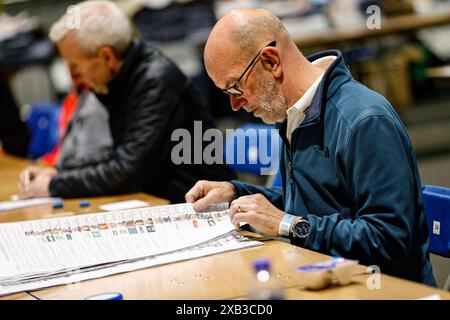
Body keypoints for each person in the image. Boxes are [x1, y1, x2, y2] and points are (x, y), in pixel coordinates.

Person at [185, 8, 436, 286]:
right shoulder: (294, 112)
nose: (235, 104)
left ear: (271, 62)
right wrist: (235, 192)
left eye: (235, 87)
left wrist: (288, 225)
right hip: (322, 277)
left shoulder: (365, 121)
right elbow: (311, 203)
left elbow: (388, 238)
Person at [18, 0, 235, 203]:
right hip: (158, 201)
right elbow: (116, 156)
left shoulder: (156, 80)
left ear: (106, 57)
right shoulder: (119, 78)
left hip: (202, 207)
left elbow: (127, 172)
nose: (74, 80)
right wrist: (59, 173)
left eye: (76, 68)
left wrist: (55, 184)